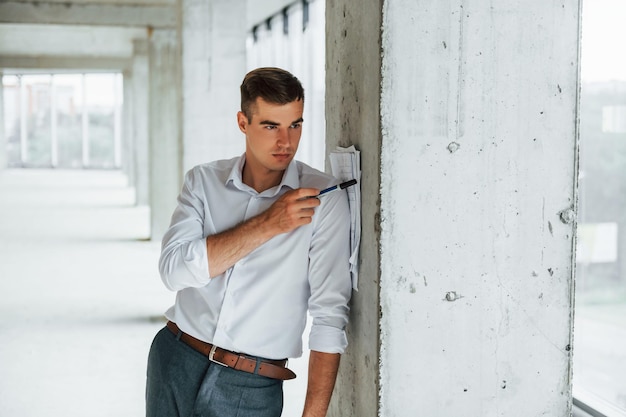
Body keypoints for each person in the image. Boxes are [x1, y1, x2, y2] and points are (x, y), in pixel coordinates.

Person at [146, 67, 352, 417]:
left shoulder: (324, 199)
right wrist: (268, 224)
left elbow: (330, 316)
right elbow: (174, 272)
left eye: (295, 125)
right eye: (271, 126)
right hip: (175, 360)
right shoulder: (203, 181)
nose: (286, 141)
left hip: (251, 386)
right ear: (243, 122)